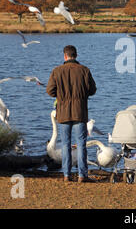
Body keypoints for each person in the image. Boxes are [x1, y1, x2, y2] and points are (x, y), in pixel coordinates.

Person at [46, 45, 97, 183]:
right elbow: (92, 90)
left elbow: (50, 91)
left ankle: (66, 175)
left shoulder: (57, 71)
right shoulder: (84, 70)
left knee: (65, 144)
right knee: (81, 144)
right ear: (76, 55)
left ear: (65, 56)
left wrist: (61, 95)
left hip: (63, 112)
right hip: (79, 111)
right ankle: (82, 175)